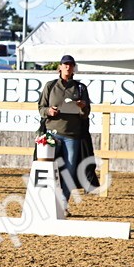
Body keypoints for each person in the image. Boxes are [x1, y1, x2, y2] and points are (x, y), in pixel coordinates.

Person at [38, 54, 91, 201]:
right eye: (65, 64)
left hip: (72, 135)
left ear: (74, 68)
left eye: (71, 65)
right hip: (51, 135)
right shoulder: (50, 86)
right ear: (60, 67)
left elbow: (86, 114)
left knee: (70, 169)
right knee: (48, 169)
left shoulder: (80, 88)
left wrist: (82, 107)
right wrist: (49, 111)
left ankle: (63, 202)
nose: (68, 67)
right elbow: (41, 108)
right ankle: (47, 200)